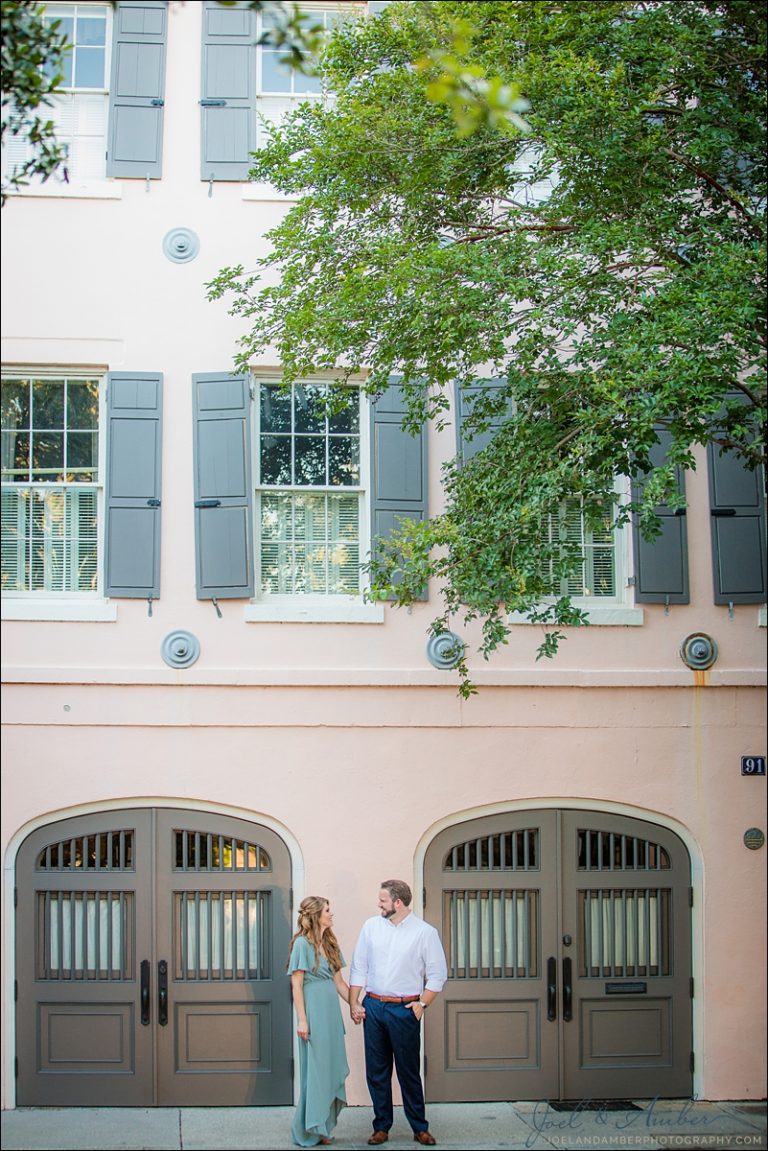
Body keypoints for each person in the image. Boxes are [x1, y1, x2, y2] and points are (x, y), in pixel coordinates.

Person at [349, 880, 448, 1147]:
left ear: (398, 903)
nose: (378, 904)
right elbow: (359, 967)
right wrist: (354, 1003)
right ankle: (381, 1126)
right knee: (377, 1071)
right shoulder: (371, 927)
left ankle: (419, 1127)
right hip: (374, 1007)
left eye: (382, 900)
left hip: (405, 1010)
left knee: (408, 1072)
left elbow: (438, 975)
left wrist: (422, 1004)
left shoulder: (425, 933)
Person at [288, 896, 354, 1148]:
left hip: (331, 1015)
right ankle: (308, 1129)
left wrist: (356, 1005)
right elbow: (296, 984)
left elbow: (339, 983)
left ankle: (324, 1126)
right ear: (316, 915)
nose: (332, 914)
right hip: (313, 1015)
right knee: (315, 1073)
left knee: (330, 1069)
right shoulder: (302, 945)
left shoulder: (331, 944)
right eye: (328, 910)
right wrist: (302, 1021)